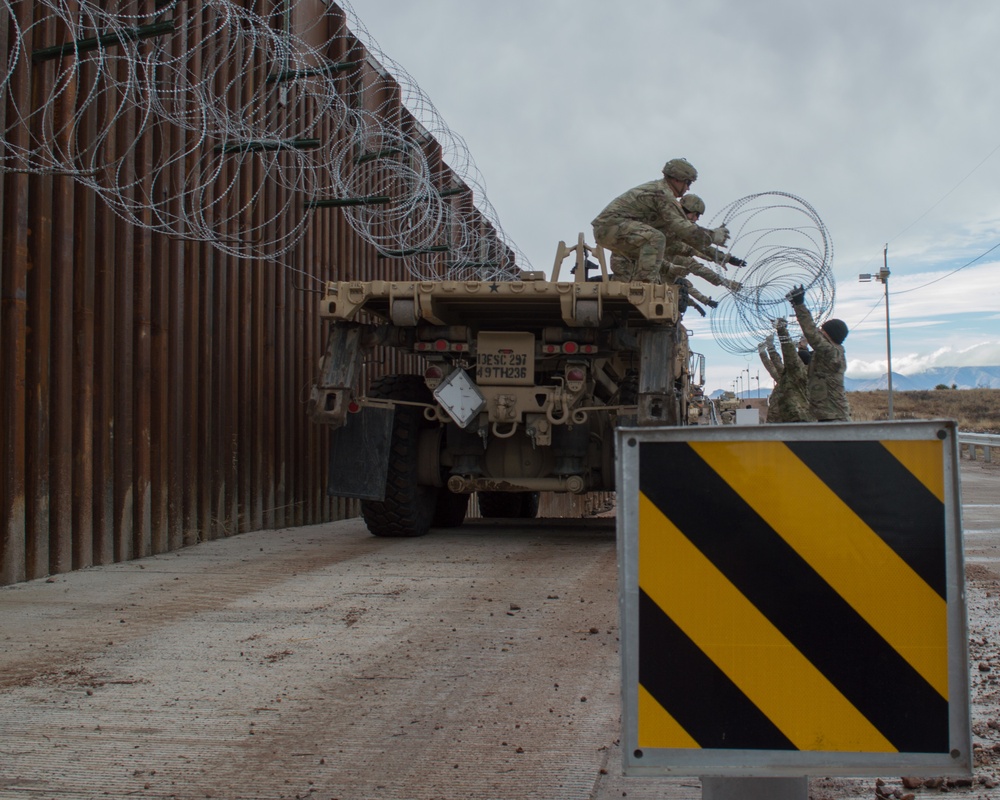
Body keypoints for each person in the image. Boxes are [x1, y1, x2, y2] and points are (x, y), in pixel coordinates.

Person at [591, 158, 730, 283]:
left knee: (659, 240)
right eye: (687, 182)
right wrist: (713, 236)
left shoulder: (663, 192)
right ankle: (644, 286)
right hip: (609, 227)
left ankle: (631, 285)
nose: (688, 188)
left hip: (612, 229)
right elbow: (681, 227)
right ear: (677, 179)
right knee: (656, 238)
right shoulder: (663, 194)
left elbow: (679, 234)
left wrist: (716, 252)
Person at [787, 284, 851, 422]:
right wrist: (804, 351)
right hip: (827, 415)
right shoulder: (828, 353)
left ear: (830, 334)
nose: (820, 332)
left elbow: (812, 333)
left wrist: (799, 305)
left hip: (834, 417)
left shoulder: (831, 351)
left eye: (823, 330)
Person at [757, 318, 813, 422]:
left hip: (784, 418)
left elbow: (775, 365)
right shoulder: (811, 374)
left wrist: (768, 349)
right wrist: (803, 346)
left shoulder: (790, 375)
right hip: (800, 417)